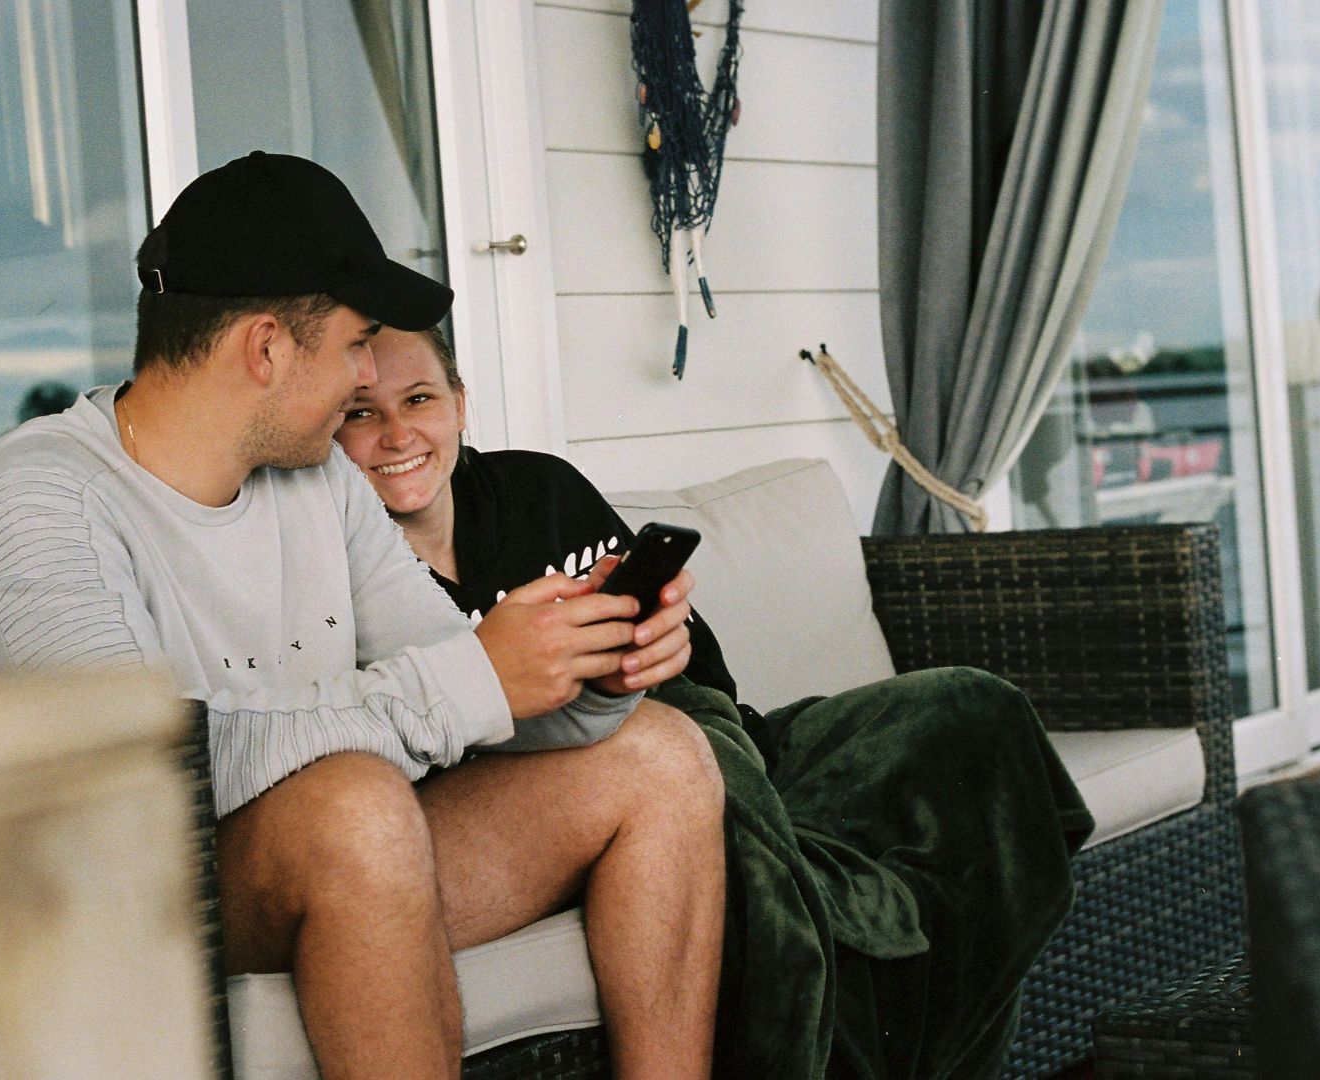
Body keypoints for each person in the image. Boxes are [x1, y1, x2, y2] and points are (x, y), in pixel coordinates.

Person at [0, 152, 725, 1078]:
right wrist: (473, 677)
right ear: (267, 349)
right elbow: (139, 780)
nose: (366, 376)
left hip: (325, 856)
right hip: (112, 899)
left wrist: (585, 670)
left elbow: (462, 684)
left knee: (663, 755)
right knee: (355, 807)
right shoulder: (38, 498)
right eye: (356, 345)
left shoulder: (318, 483)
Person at [335, 326, 1096, 1078]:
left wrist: (657, 637)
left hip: (726, 738)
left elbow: (703, 671)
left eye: (420, 398)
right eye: (362, 412)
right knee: (699, 787)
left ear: (460, 404)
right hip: (590, 793)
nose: (397, 433)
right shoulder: (347, 573)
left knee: (971, 710)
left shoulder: (542, 489)